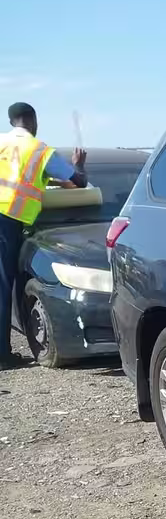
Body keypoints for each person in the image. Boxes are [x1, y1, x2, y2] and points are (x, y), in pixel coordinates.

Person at [0, 103, 87, 367]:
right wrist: (78, 166)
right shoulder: (39, 150)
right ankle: (2, 357)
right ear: (33, 121)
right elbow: (80, 182)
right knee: (3, 287)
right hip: (8, 221)